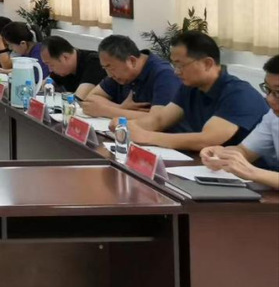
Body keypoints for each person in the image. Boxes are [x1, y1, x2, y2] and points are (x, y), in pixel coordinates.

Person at [124, 32, 268, 151]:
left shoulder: (239, 94)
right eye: (174, 65)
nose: (176, 72)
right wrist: (127, 127)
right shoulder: (190, 86)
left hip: (253, 171)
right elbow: (160, 120)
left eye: (181, 65)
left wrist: (147, 137)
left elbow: (207, 140)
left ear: (207, 63)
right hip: (213, 163)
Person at [201, 55, 279, 189]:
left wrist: (252, 172)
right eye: (268, 89)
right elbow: (245, 151)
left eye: (278, 92)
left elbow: (250, 170)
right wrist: (222, 153)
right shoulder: (273, 116)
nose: (270, 99)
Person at [82, 34, 181, 120]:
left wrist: (106, 111)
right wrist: (120, 108)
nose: (109, 75)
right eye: (105, 68)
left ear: (132, 61)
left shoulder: (164, 74)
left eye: (110, 68)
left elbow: (159, 119)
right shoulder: (118, 74)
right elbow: (90, 100)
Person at [40, 36, 106, 99]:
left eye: (51, 65)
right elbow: (43, 86)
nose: (50, 69)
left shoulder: (94, 63)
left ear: (65, 57)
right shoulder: (63, 69)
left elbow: (79, 99)